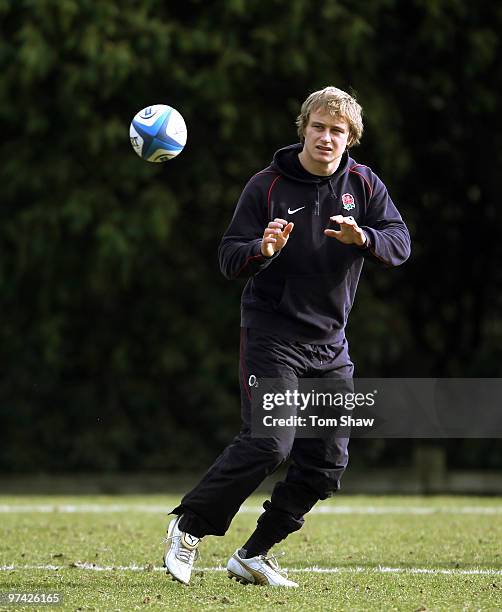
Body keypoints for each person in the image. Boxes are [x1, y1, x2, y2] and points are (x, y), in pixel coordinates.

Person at [163, 86, 411, 587]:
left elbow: (399, 242)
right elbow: (230, 256)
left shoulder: (363, 185)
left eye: (337, 130)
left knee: (327, 462)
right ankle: (189, 527)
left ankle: (254, 554)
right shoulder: (267, 186)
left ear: (350, 138)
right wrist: (263, 248)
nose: (326, 137)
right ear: (304, 129)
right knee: (269, 444)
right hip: (273, 334)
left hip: (330, 345)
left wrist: (362, 237)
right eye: (318, 127)